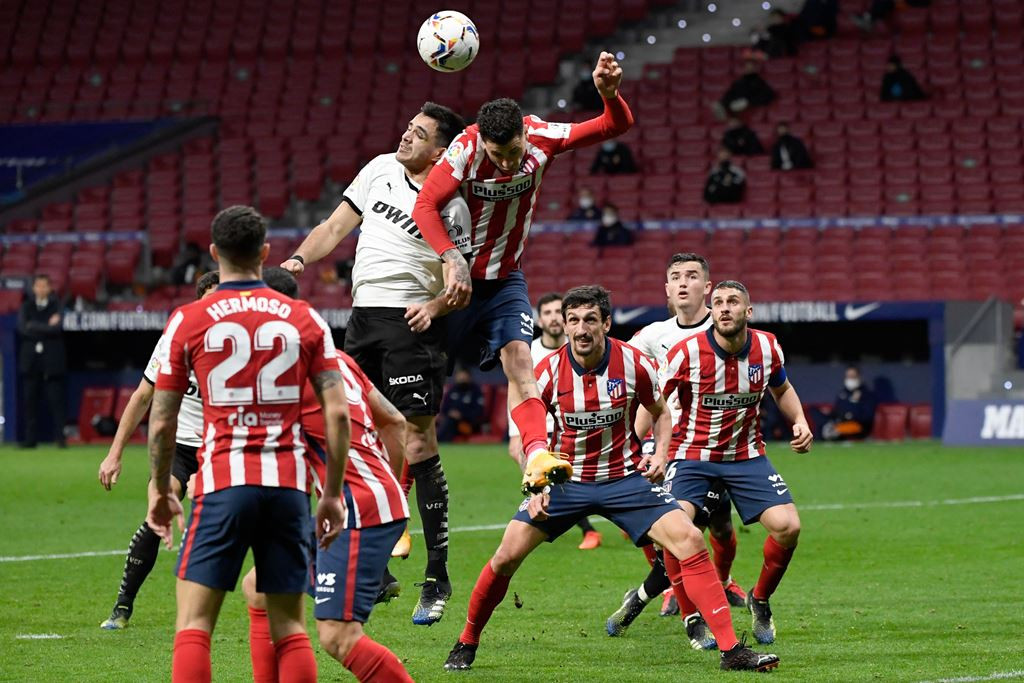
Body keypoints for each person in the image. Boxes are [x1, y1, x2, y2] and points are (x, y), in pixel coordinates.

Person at [442, 286, 779, 673]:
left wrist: (662, 454)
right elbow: (529, 422)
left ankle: (732, 650)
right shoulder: (549, 370)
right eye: (573, 321)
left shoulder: (633, 363)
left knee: (688, 538)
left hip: (625, 479)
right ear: (564, 327)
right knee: (505, 556)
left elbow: (661, 411)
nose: (580, 329)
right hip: (566, 481)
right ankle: (466, 641)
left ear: (605, 323)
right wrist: (536, 483)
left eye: (589, 320)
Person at [411, 52, 633, 524]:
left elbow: (612, 127)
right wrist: (451, 258)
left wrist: (610, 96)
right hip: (456, 283)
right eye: (498, 155)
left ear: (523, 135)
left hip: (505, 278)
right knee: (423, 395)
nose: (508, 162)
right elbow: (426, 204)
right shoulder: (466, 149)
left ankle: (536, 454)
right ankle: (398, 502)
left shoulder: (543, 136)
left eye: (513, 151)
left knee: (520, 360)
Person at [281, 102, 471, 626]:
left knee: (417, 440)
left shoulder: (451, 204)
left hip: (410, 323)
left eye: (419, 134)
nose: (405, 137)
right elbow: (334, 224)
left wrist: (433, 307)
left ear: (441, 150)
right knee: (347, 430)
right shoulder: (379, 169)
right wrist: (297, 260)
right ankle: (378, 565)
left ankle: (437, 576)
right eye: (407, 127)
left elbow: (461, 284)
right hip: (361, 319)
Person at [146, 205, 348, 683]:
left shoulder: (189, 319)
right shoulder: (306, 319)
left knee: (194, 624)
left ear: (215, 254)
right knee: (291, 627)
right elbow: (337, 414)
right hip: (288, 485)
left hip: (222, 483)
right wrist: (334, 493)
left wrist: (160, 487)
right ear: (265, 252)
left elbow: (161, 420)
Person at [240, 267, 413, 683]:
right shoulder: (338, 359)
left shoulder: (283, 373)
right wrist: (389, 489)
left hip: (354, 511)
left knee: (337, 636)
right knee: (259, 588)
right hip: (367, 501)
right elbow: (394, 422)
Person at [606, 254, 747, 646]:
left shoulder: (727, 326)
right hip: (675, 449)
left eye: (692, 276)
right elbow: (624, 370)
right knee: (679, 531)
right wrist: (635, 442)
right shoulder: (653, 336)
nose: (683, 283)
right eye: (675, 277)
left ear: (708, 285)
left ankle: (687, 587)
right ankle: (691, 616)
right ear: (666, 289)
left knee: (719, 526)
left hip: (719, 448)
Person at [662, 280, 813, 646]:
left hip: (747, 456)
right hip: (692, 456)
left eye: (733, 301)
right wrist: (648, 450)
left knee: (788, 527)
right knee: (675, 528)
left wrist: (801, 420)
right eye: (718, 302)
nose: (724, 307)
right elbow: (654, 404)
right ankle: (690, 615)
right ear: (711, 311)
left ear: (749, 311)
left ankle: (759, 600)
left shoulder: (767, 346)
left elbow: (782, 389)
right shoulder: (686, 352)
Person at [96, 270, 220, 630]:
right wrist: (114, 452)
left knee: (238, 522)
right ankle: (122, 607)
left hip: (221, 447)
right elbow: (142, 396)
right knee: (156, 516)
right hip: (180, 448)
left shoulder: (236, 341)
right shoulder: (175, 339)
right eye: (208, 300)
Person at [508, 292, 602, 550]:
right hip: (539, 427)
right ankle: (586, 528)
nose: (552, 318)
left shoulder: (580, 349)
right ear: (539, 320)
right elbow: (518, 391)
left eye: (555, 313)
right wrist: (515, 433)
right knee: (547, 476)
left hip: (576, 426)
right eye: (546, 313)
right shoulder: (528, 353)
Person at [17, 273, 67, 448]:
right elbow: (22, 329)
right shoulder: (26, 306)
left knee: (56, 401)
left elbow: (57, 329)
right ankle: (30, 440)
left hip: (52, 362)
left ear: (49, 288)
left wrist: (34, 325)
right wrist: (47, 327)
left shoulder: (57, 305)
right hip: (31, 362)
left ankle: (60, 439)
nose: (41, 289)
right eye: (38, 286)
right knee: (30, 401)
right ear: (33, 288)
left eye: (44, 286)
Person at [819, 365, 876, 441]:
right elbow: (837, 411)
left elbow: (866, 417)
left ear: (859, 377)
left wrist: (854, 404)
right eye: (848, 376)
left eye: (853, 376)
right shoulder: (842, 393)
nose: (850, 379)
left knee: (835, 432)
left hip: (858, 427)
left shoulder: (866, 394)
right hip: (840, 424)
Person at [437, 366, 486, 441]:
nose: (462, 378)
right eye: (460, 376)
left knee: (450, 423)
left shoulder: (476, 391)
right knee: (448, 422)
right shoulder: (452, 390)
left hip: (468, 424)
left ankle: (438, 440)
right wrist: (451, 413)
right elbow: (444, 408)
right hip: (450, 421)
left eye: (464, 376)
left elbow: (479, 411)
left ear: (469, 377)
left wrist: (461, 415)